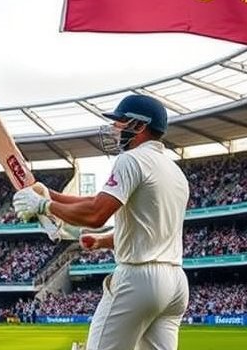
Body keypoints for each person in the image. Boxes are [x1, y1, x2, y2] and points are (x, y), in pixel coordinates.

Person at [13, 94, 189, 350]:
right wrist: (51, 195)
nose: (115, 129)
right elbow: (146, 227)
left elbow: (97, 213)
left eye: (120, 122)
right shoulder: (175, 172)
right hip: (175, 284)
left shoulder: (132, 159)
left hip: (139, 279)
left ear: (139, 126)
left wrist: (44, 206)